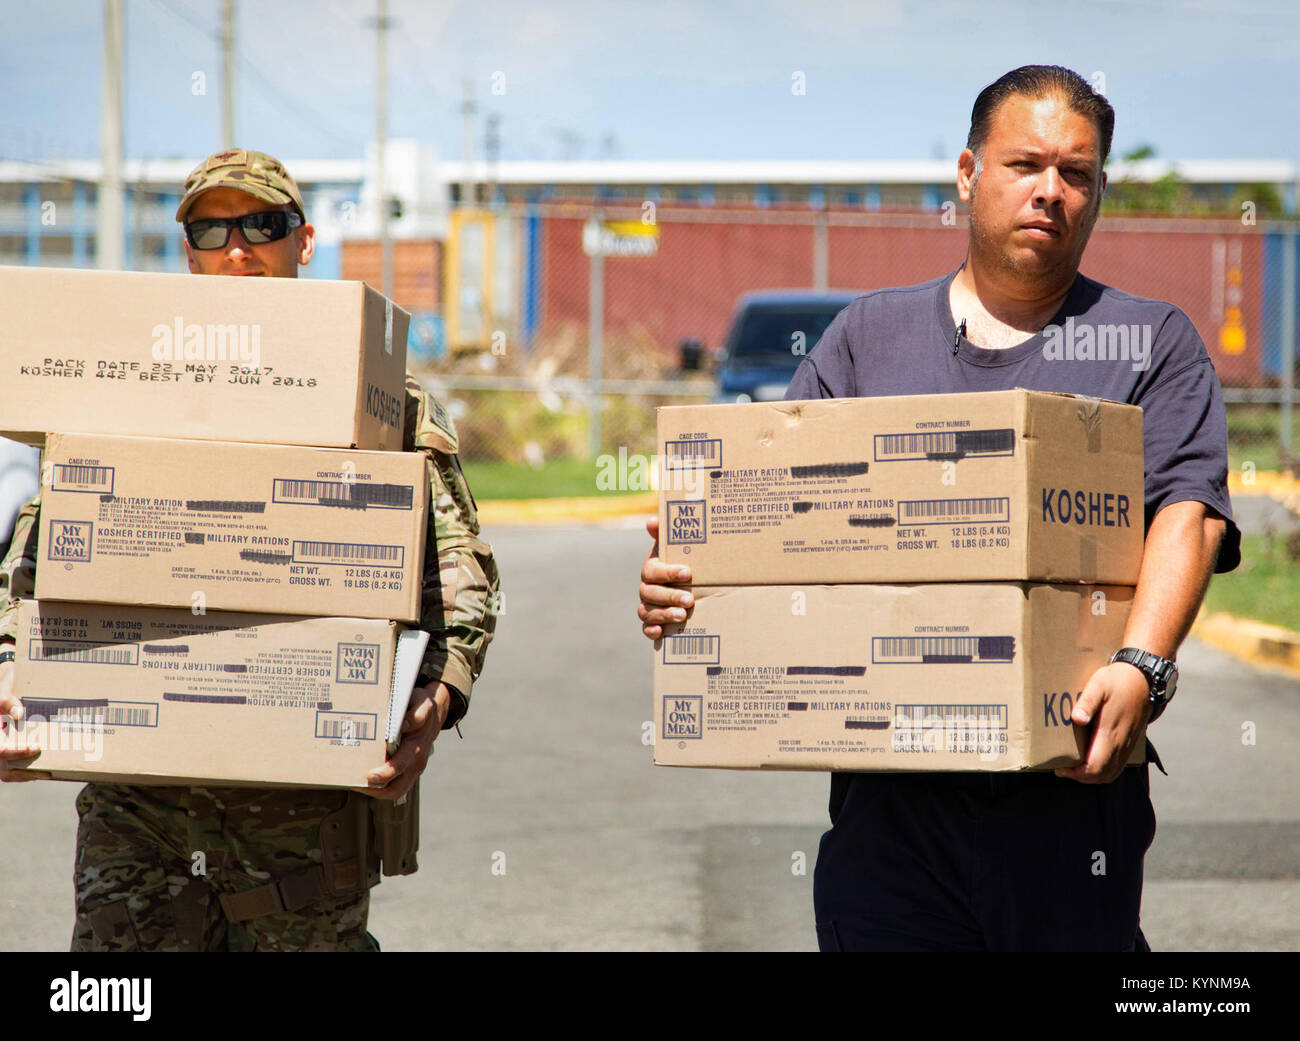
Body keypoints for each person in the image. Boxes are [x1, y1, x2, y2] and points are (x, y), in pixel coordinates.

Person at [638, 66, 1240, 951]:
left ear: (1100, 191)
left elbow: (1189, 513)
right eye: (1025, 163)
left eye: (1077, 173)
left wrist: (1144, 665)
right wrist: (684, 584)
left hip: (1069, 806)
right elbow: (760, 517)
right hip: (893, 814)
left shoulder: (1151, 343)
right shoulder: (868, 338)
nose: (1050, 191)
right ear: (967, 173)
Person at [0, 148, 500, 952]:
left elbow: (463, 582)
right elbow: (36, 557)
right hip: (142, 824)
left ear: (302, 243)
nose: (239, 249)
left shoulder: (378, 397)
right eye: (212, 227)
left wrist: (433, 707)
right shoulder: (125, 386)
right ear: (187, 252)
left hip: (302, 826)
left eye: (262, 224)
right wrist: (8, 676)